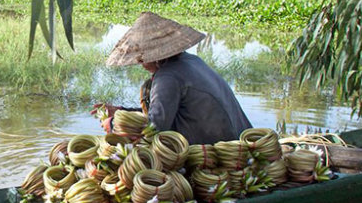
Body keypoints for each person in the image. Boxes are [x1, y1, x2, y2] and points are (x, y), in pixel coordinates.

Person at [92, 12, 252, 145]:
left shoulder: (168, 76)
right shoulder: (192, 60)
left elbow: (154, 127)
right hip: (238, 138)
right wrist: (122, 111)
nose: (141, 64)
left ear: (155, 55)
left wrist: (114, 125)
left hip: (221, 149)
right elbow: (163, 112)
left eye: (142, 58)